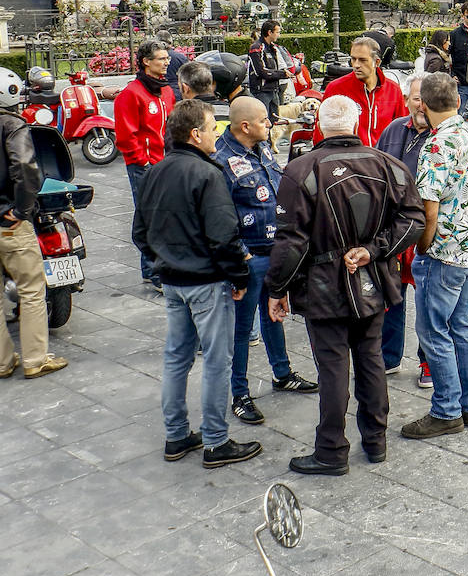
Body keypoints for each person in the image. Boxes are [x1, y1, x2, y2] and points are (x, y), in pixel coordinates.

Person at [266, 95, 424, 475]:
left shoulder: (301, 169)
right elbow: (414, 220)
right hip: (370, 280)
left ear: (319, 125)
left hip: (324, 287)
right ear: (354, 125)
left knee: (334, 367)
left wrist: (276, 289)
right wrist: (374, 251)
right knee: (369, 359)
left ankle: (332, 450)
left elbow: (291, 240)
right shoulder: (387, 164)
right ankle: (375, 441)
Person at [134, 99, 258, 469]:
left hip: (173, 281)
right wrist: (238, 275)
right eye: (211, 127)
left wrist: (164, 260)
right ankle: (216, 441)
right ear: (195, 134)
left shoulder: (156, 171)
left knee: (176, 358)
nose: (215, 134)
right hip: (206, 281)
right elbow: (224, 235)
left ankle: (176, 436)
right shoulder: (207, 174)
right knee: (216, 361)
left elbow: (140, 232)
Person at [214, 97, 318, 426]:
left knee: (274, 315)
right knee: (242, 330)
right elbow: (221, 218)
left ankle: (282, 373)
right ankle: (240, 393)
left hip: (274, 253)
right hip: (247, 257)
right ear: (245, 126)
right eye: (263, 120)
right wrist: (236, 261)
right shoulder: (222, 161)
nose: (269, 124)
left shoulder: (264, 149)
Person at [401, 74, 468, 439]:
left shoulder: (437, 145)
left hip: (445, 253)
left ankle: (447, 410)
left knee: (433, 331)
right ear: (457, 100)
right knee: (462, 327)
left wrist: (422, 247)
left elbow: (429, 207)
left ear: (423, 104)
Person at [0, 70, 65, 380]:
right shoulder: (12, 125)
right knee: (31, 289)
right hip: (8, 222)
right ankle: (35, 359)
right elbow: (25, 168)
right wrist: (22, 210)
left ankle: (3, 361)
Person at [374, 78, 432, 387]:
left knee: (427, 303)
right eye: (414, 99)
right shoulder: (394, 130)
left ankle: (428, 362)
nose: (420, 105)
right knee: (392, 297)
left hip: (426, 231)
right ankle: (389, 357)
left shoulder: (442, 136)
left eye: (425, 99)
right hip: (395, 231)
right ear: (407, 100)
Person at [115, 38, 176, 291]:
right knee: (149, 216)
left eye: (167, 58)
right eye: (161, 59)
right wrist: (143, 161)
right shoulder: (131, 94)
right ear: (146, 62)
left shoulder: (166, 91)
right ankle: (154, 271)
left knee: (160, 216)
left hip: (164, 163)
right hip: (143, 166)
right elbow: (126, 137)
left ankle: (149, 268)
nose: (166, 62)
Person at [315, 35, 405, 146]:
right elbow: (321, 130)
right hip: (347, 160)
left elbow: (402, 131)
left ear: (377, 62)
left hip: (382, 160)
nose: (356, 65)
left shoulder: (393, 90)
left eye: (362, 60)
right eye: (353, 59)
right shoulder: (336, 88)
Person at [247, 19, 288, 119]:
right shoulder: (256, 47)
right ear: (270, 32)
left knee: (274, 120)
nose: (279, 35)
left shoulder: (273, 47)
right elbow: (261, 72)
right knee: (262, 119)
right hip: (261, 91)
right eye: (277, 32)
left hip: (273, 90)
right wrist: (282, 74)